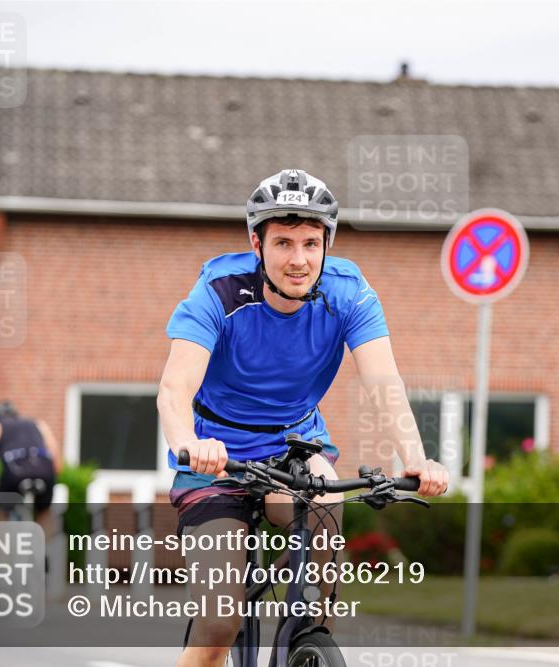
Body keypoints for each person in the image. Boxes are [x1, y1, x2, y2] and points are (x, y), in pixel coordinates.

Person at [158, 168, 449, 667]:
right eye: (284, 243)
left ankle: (304, 647)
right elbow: (174, 388)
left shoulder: (348, 293)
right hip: (217, 457)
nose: (299, 260)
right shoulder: (219, 292)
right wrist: (190, 443)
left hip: (296, 444)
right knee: (219, 624)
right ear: (257, 243)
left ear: (326, 244)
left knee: (321, 512)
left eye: (312, 243)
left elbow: (383, 384)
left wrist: (417, 459)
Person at [0, 400, 62, 529]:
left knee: (0, 513)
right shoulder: (38, 424)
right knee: (44, 512)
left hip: (14, 473)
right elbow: (57, 463)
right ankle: (44, 545)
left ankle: (1, 546)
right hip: (45, 471)